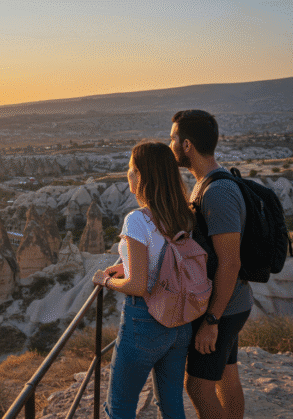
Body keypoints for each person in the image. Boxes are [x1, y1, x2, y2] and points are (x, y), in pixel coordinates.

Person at [92, 141, 195, 419]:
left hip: (145, 320)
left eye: (130, 169)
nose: (128, 174)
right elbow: (164, 262)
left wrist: (107, 281)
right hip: (182, 320)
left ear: (141, 175)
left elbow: (139, 285)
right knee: (171, 402)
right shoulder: (184, 216)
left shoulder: (137, 220)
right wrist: (126, 268)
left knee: (121, 407)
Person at [169, 110, 252, 419]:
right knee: (227, 376)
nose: (171, 143)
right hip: (232, 302)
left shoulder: (217, 192)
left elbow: (230, 263)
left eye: (173, 138)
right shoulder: (207, 184)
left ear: (187, 144)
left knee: (198, 387)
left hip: (224, 307)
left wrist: (211, 321)